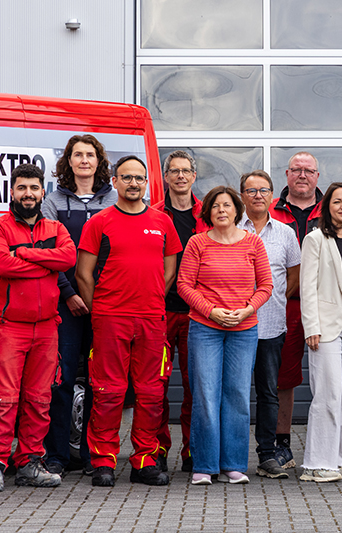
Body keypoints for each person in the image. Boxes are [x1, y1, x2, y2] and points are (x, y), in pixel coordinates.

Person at [76, 155, 182, 487]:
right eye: (127, 178)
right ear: (115, 181)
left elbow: (169, 270)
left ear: (146, 181)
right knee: (108, 392)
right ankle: (103, 459)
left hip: (151, 319)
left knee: (151, 392)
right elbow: (83, 273)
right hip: (110, 319)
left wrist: (149, 299)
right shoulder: (100, 222)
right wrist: (103, 311)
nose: (133, 183)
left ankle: (145, 460)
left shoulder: (162, 222)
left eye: (139, 178)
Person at [0, 164, 77, 492]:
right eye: (22, 188)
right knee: (3, 398)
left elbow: (68, 258)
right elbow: (0, 264)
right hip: (8, 326)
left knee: (39, 399)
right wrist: (42, 263)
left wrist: (23, 255)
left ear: (42, 191)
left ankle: (30, 463)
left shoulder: (55, 227)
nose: (28, 194)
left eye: (34, 188)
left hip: (47, 327)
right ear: (12, 191)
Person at [178, 185, 273, 485]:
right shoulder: (197, 243)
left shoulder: (253, 243)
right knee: (205, 395)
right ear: (208, 212)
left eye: (227, 205)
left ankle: (233, 465)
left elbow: (266, 286)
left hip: (243, 330)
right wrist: (211, 311)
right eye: (216, 206)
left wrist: (247, 310)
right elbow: (184, 285)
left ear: (237, 210)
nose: (221, 210)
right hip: (205, 328)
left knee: (237, 396)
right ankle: (204, 466)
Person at [41, 134, 117, 476]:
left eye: (90, 154)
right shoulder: (53, 202)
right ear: (68, 161)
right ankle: (56, 454)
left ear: (99, 160)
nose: (84, 160)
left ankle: (92, 453)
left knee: (100, 381)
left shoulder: (115, 201)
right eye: (77, 155)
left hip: (107, 303)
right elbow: (46, 254)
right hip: (67, 304)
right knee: (62, 379)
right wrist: (70, 292)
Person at [299, 182, 342, 482]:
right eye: (337, 201)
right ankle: (316, 462)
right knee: (327, 391)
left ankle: (337, 459)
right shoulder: (315, 239)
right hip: (325, 321)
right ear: (326, 207)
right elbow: (307, 286)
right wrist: (310, 326)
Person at [238, 171, 301, 479]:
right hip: (233, 326)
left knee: (268, 392)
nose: (258, 195)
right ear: (242, 197)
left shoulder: (286, 233)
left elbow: (293, 276)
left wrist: (269, 298)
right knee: (233, 392)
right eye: (251, 190)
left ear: (273, 196)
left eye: (264, 190)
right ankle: (232, 456)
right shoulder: (229, 228)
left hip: (271, 325)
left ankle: (267, 454)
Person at [152, 150, 209, 473]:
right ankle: (157, 448)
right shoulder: (155, 215)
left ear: (194, 176)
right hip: (160, 311)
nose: (180, 176)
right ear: (167, 177)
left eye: (186, 171)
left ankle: (193, 449)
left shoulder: (208, 215)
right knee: (155, 386)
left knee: (195, 385)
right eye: (174, 171)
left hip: (198, 315)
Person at [269, 151, 323, 469]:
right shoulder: (271, 211)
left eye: (309, 170)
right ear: (287, 174)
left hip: (325, 304)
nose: (302, 175)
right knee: (283, 378)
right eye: (297, 169)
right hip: (285, 305)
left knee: (328, 377)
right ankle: (281, 444)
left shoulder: (330, 209)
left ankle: (324, 447)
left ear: (318, 176)